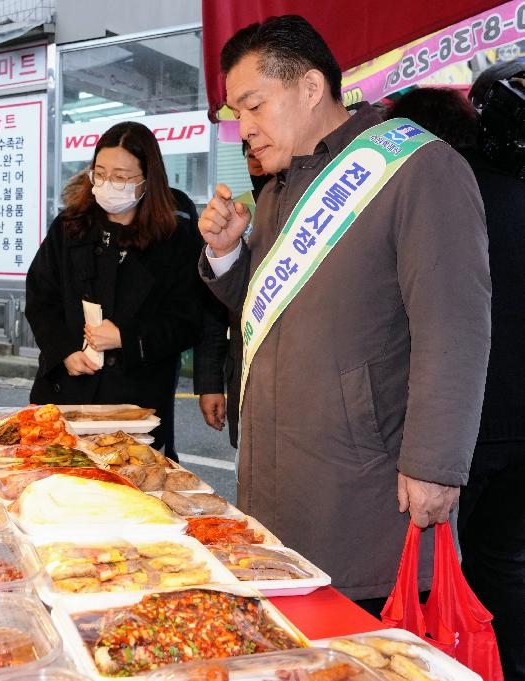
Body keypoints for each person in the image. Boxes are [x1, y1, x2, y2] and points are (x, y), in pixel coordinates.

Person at [198, 15, 491, 610]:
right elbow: (269, 312)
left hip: (366, 494)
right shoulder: (280, 189)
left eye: (254, 106)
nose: (244, 130)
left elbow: (454, 324)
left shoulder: (416, 167)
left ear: (310, 88)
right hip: (277, 482)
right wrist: (227, 256)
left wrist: (436, 464)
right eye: (237, 116)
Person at [390, 76, 525, 680]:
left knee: (438, 574)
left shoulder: (437, 197)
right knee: (507, 567)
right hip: (520, 425)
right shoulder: (515, 189)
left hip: (462, 429)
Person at [26, 121, 202, 453]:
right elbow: (40, 298)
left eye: (121, 177)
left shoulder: (174, 237)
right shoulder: (70, 226)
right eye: (101, 173)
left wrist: (127, 337)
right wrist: (63, 349)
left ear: (148, 179)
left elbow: (188, 319)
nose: (109, 184)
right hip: (65, 394)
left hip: (135, 404)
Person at [196, 140, 271, 448]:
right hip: (243, 369)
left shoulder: (313, 209)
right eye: (247, 152)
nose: (254, 159)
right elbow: (213, 310)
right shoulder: (237, 210)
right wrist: (210, 382)